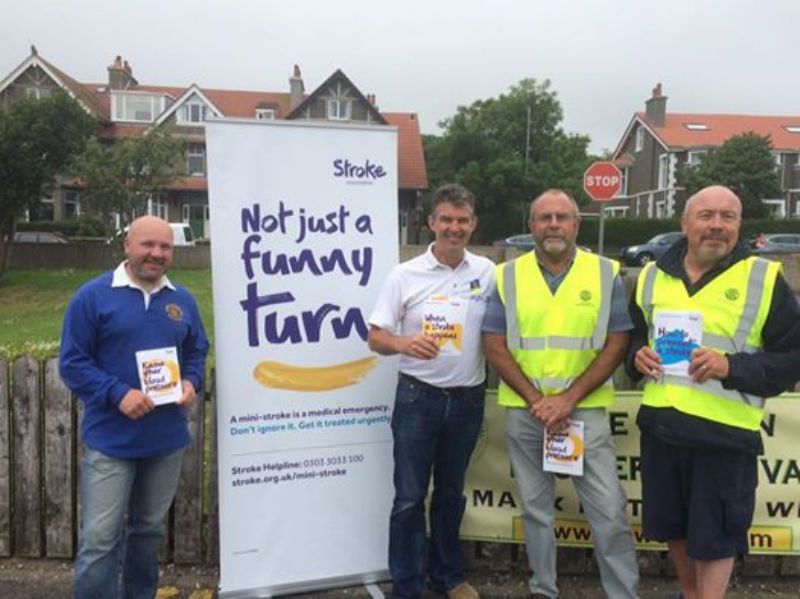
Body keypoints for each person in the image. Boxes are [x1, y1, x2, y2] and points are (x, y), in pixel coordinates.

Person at [626, 185, 800, 599]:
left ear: (740, 226)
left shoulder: (762, 278)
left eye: (728, 217)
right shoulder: (650, 276)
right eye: (706, 216)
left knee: (717, 535)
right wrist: (637, 356)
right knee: (675, 528)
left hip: (724, 435)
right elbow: (634, 336)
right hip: (663, 427)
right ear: (685, 224)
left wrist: (731, 366)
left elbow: (793, 356)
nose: (717, 226)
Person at [482, 189, 639, 599]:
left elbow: (618, 342)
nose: (553, 225)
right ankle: (543, 589)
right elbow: (494, 344)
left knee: (608, 511)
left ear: (577, 224)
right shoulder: (507, 275)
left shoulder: (606, 273)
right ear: (531, 225)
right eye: (544, 217)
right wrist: (539, 401)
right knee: (536, 510)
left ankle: (623, 593)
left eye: (562, 217)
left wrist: (567, 400)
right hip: (527, 414)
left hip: (582, 413)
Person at [60, 216, 209, 598]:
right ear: (127, 245)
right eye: (148, 245)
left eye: (165, 247)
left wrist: (192, 382)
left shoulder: (182, 300)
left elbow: (196, 350)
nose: (157, 254)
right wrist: (117, 393)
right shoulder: (93, 297)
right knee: (99, 539)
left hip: (166, 440)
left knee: (148, 533)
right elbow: (73, 363)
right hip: (112, 442)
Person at [367, 184, 495, 599]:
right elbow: (375, 337)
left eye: (462, 221)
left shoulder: (487, 272)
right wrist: (404, 344)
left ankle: (449, 577)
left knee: (451, 494)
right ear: (431, 224)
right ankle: (407, 585)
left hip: (467, 400)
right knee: (408, 498)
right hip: (417, 399)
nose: (454, 228)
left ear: (473, 225)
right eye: (446, 220)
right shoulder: (405, 275)